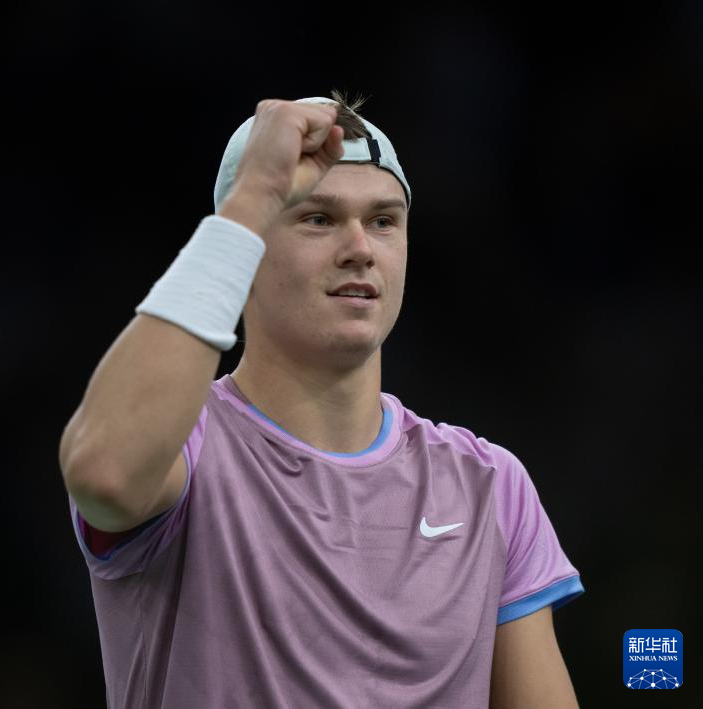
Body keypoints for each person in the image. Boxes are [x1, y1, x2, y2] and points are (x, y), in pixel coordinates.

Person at [58, 91, 585, 708]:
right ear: (246, 246)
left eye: (383, 220)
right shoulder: (185, 449)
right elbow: (105, 475)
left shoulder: (489, 483)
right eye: (318, 218)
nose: (360, 247)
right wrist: (255, 192)